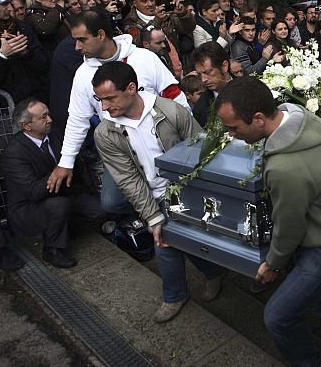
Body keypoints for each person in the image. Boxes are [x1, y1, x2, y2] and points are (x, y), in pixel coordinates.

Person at [216, 77, 321, 366]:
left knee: (279, 317)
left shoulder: (285, 167)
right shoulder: (302, 119)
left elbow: (289, 225)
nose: (231, 134)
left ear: (258, 118)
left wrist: (273, 264)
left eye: (233, 127)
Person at [91, 62, 223, 322]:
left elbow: (201, 151)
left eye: (109, 98)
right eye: (100, 100)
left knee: (174, 241)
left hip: (185, 192)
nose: (104, 107)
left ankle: (189, 287)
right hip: (153, 196)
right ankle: (184, 289)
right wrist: (153, 216)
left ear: (131, 89)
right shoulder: (105, 132)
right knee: (164, 240)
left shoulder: (171, 111)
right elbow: (128, 179)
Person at [46, 10, 188, 214]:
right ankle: (146, 219)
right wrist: (65, 162)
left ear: (101, 35)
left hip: (162, 139)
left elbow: (174, 95)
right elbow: (78, 120)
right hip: (120, 149)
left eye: (82, 40)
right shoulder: (83, 75)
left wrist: (186, 135)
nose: (77, 47)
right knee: (111, 203)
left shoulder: (143, 58)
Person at [1, 98, 105, 268]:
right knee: (58, 205)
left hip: (64, 192)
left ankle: (66, 228)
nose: (49, 119)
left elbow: (77, 165)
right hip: (29, 207)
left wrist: (67, 169)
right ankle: (53, 250)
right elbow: (33, 191)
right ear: (27, 126)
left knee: (100, 210)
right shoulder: (14, 153)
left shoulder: (57, 134)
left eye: (48, 114)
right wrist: (61, 170)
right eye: (43, 117)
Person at [191, 42, 233, 127]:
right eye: (200, 74)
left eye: (208, 72)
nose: (203, 80)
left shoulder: (251, 87)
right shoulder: (201, 108)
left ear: (224, 66)